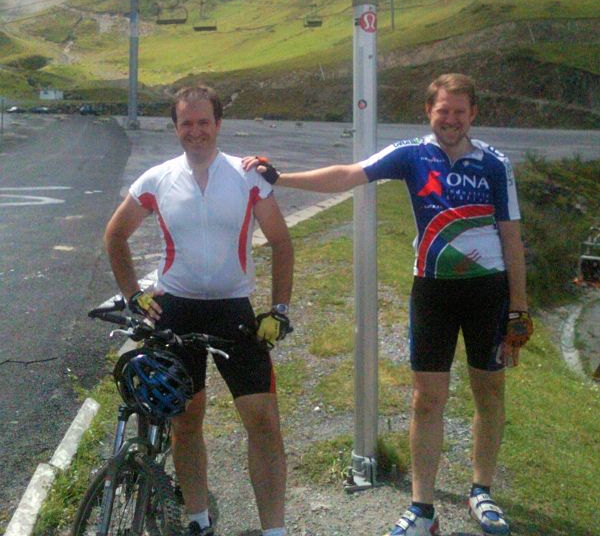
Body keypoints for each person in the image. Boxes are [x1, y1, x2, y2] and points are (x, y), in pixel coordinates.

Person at [243, 73, 533, 536]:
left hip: (489, 293)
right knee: (425, 400)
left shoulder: (496, 164)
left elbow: (512, 238)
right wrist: (280, 177)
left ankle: (482, 490)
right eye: (444, 111)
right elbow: (349, 174)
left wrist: (519, 308)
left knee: (490, 392)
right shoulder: (412, 155)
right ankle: (423, 508)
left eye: (460, 112)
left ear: (473, 114)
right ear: (429, 112)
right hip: (433, 292)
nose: (452, 120)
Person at [105, 85, 294, 536]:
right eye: (186, 123)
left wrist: (279, 309)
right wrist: (134, 295)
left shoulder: (248, 177)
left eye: (203, 122)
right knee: (186, 421)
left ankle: (275, 530)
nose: (196, 131)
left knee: (263, 421)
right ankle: (196, 519)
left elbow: (283, 243)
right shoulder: (156, 179)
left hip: (235, 312)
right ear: (175, 128)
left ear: (218, 124)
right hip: (176, 312)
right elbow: (115, 236)